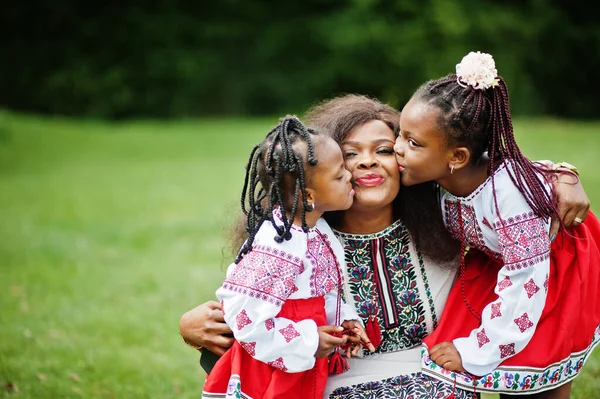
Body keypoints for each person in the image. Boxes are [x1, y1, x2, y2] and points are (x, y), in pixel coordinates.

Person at [180, 94, 591, 399]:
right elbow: (251, 303)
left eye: (383, 150)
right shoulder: (303, 240)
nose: (367, 163)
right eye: (348, 155)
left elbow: (496, 177)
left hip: (433, 380)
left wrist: (562, 176)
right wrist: (193, 326)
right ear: (315, 177)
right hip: (334, 385)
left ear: (408, 162)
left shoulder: (448, 222)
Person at [393, 51, 600, 398]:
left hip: (552, 266)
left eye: (413, 143)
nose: (397, 149)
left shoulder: (509, 201)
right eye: (400, 134)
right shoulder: (435, 175)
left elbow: (526, 285)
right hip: (501, 261)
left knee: (539, 375)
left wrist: (476, 350)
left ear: (456, 158)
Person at [201, 115, 373, 399]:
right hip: (271, 370)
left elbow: (319, 293)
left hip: (301, 363)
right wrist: (309, 339)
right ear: (308, 196)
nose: (350, 177)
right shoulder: (278, 247)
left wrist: (343, 320)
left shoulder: (314, 229)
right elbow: (246, 318)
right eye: (340, 174)